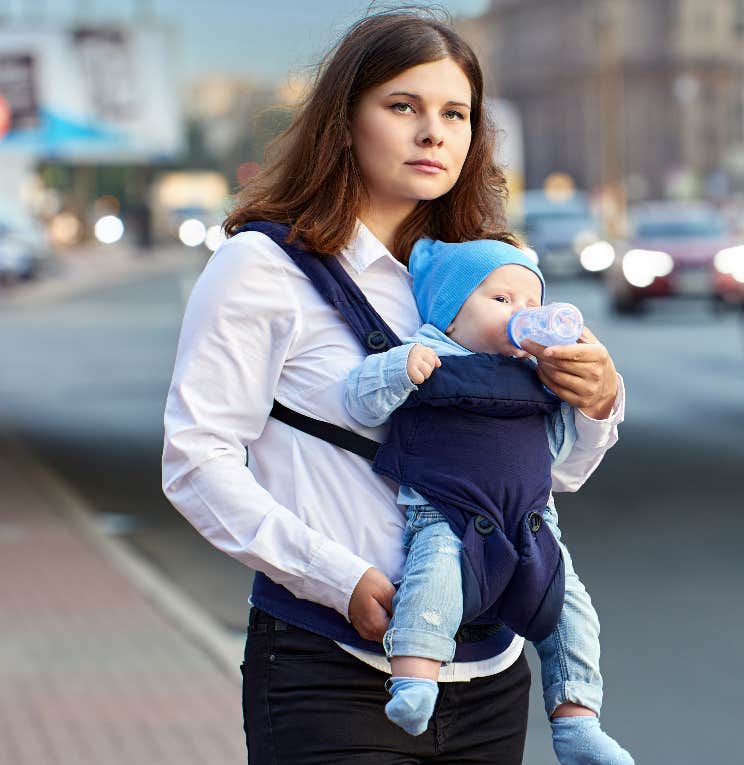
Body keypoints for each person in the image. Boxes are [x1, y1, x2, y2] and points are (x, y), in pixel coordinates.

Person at [161, 9, 625, 764]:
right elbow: (196, 461)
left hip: (490, 677)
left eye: (455, 113)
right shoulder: (263, 268)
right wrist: (338, 579)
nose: (433, 133)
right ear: (343, 122)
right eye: (402, 106)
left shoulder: (499, 281)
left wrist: (597, 404)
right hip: (329, 670)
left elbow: (543, 478)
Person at [342, 238, 631, 764]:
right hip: (447, 516)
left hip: (533, 525)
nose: (519, 314)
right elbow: (358, 403)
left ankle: (577, 721)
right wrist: (398, 369)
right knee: (433, 585)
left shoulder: (539, 373)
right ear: (451, 314)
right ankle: (414, 679)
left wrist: (591, 397)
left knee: (572, 611)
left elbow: (562, 458)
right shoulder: (427, 352)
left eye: (529, 303)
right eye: (500, 301)